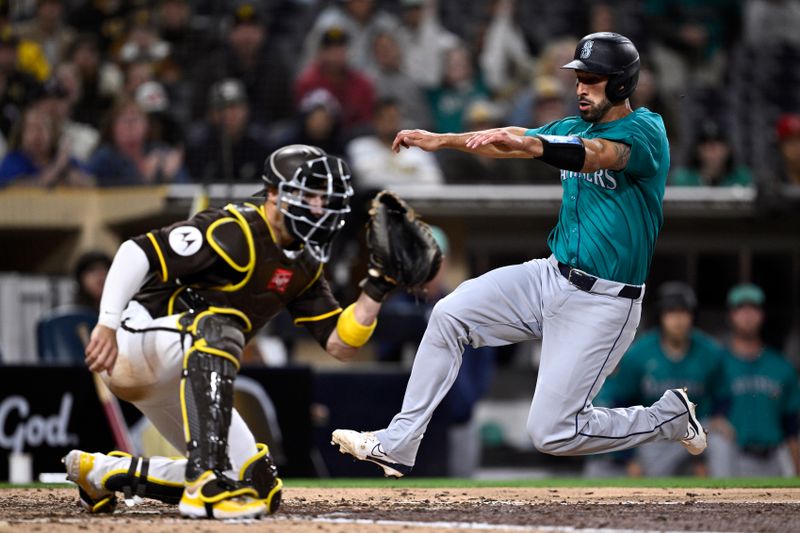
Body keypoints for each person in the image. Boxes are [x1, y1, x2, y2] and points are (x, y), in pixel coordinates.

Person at [332, 32, 707, 477]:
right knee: (449, 316)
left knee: (552, 433)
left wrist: (531, 145)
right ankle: (398, 444)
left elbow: (597, 156)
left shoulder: (646, 129)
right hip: (550, 276)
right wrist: (444, 139)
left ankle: (667, 417)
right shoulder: (571, 127)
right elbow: (508, 136)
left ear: (621, 84)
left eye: (591, 78)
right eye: (577, 77)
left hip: (605, 301)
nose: (580, 87)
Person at [63, 145, 400, 518]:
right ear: (276, 194)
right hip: (137, 342)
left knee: (257, 487)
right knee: (221, 328)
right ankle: (204, 484)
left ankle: (102, 473)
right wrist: (107, 323)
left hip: (186, 366)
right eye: (310, 195)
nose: (319, 206)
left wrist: (377, 287)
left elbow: (340, 343)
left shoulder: (305, 260)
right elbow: (136, 252)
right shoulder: (234, 228)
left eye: (324, 197)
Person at [600, 282, 725, 476]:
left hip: (699, 429)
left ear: (692, 315)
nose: (678, 319)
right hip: (656, 434)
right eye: (671, 312)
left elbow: (722, 395)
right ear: (661, 316)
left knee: (721, 440)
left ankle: (727, 498)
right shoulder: (639, 354)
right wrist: (629, 458)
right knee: (655, 486)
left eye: (683, 312)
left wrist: (720, 415)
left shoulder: (710, 351)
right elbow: (622, 404)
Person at [708, 283, 800, 477]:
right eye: (741, 309)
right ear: (731, 315)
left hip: (775, 457)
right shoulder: (716, 363)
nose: (747, 315)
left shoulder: (781, 366)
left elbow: (791, 424)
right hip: (732, 457)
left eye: (753, 308)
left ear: (762, 314)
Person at [347, 97, 443, 191]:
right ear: (375, 121)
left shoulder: (419, 149)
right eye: (385, 118)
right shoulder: (359, 147)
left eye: (394, 118)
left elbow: (434, 182)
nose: (390, 123)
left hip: (415, 204)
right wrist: (409, 175)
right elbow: (367, 181)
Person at [185, 78, 271, 183]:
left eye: (235, 107)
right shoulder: (198, 147)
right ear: (211, 113)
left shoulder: (261, 146)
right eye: (222, 107)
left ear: (246, 110)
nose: (229, 114)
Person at [87, 97, 187, 186]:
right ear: (112, 128)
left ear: (147, 126)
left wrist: (170, 177)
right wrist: (144, 180)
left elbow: (188, 190)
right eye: (124, 120)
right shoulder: (104, 157)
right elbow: (84, 184)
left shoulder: (162, 152)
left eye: (135, 120)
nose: (130, 126)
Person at [0, 103, 93, 187]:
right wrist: (58, 166)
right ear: (21, 134)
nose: (38, 134)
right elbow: (27, 190)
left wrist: (71, 175)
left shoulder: (66, 160)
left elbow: (92, 183)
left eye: (43, 127)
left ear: (53, 133)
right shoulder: (12, 160)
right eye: (32, 128)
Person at [669, 120, 753, 187]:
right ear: (697, 150)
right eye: (705, 145)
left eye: (717, 144)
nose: (712, 151)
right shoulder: (683, 179)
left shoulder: (741, 177)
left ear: (728, 149)